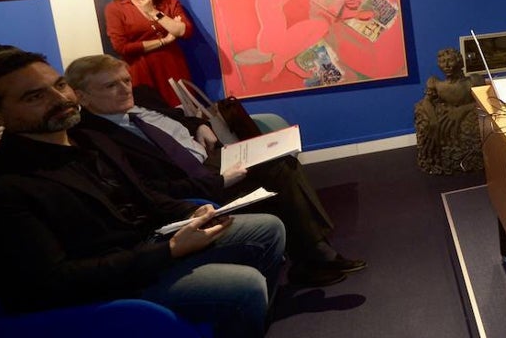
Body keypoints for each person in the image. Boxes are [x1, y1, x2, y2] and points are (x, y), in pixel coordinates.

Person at [0, 49, 314, 338]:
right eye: (35, 96)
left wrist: (187, 213)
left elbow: (145, 196)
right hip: (106, 289)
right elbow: (54, 281)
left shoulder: (85, 141)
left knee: (266, 228)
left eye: (59, 85)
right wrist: (170, 251)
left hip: (148, 246)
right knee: (243, 287)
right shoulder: (1, 188)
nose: (60, 98)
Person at [65, 54, 366, 287]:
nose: (124, 89)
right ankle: (314, 256)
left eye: (125, 80)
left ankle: (315, 250)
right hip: (197, 183)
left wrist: (201, 125)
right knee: (278, 170)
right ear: (82, 97)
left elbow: (177, 116)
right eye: (111, 85)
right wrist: (218, 181)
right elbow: (150, 189)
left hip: (210, 158)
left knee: (281, 156)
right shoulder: (95, 138)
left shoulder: (139, 102)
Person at [105, 0, 194, 106]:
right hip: (140, 69)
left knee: (184, 109)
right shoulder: (115, 9)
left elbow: (185, 31)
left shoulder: (168, 2)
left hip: (172, 65)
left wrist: (153, 12)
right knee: (154, 114)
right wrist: (163, 41)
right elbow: (121, 47)